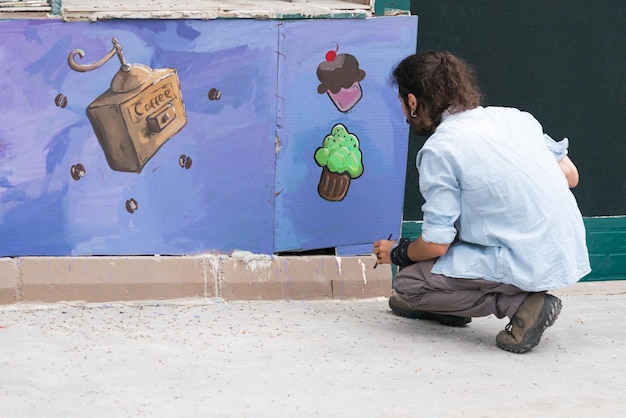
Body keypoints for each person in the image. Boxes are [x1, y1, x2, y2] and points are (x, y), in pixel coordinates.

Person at [373, 51, 591, 354]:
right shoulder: (515, 117)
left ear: (413, 102)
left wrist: (398, 252)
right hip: (563, 248)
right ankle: (480, 296)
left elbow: (436, 244)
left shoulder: (440, 149)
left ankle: (521, 303)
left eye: (401, 103)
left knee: (409, 286)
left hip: (521, 256)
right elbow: (570, 175)